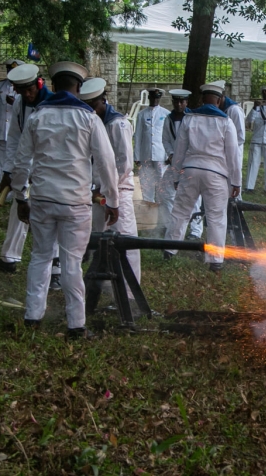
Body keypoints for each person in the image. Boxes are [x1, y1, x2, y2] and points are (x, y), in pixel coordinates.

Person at [10, 61, 120, 339]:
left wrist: (21, 196)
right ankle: (76, 324)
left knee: (40, 257)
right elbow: (107, 163)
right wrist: (113, 200)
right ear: (79, 87)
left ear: (52, 85)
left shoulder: (37, 116)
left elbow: (21, 162)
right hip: (75, 202)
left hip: (43, 199)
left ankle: (33, 316)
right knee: (71, 263)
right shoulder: (89, 118)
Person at [165, 82, 241, 272]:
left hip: (190, 170)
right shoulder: (226, 122)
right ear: (220, 100)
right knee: (216, 217)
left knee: (180, 211)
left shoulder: (189, 118)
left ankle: (169, 249)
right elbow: (233, 155)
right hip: (216, 174)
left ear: (202, 98)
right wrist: (236, 182)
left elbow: (179, 150)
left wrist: (175, 176)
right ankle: (215, 260)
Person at [81, 78, 141, 291]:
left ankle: (129, 293)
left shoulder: (118, 124)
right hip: (98, 191)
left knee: (124, 239)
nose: (91, 111)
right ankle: (106, 288)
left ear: (102, 101)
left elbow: (124, 163)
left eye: (94, 106)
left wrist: (108, 187)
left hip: (119, 190)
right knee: (102, 239)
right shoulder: (91, 122)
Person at [0, 64, 52, 274]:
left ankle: (55, 266)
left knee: (49, 218)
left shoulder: (52, 105)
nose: (27, 95)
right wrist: (8, 171)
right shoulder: (20, 103)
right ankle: (9, 258)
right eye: (21, 91)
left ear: (39, 84)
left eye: (30, 90)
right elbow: (14, 138)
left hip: (47, 168)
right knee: (18, 208)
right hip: (23, 165)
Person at [157, 89, 203, 239]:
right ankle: (171, 225)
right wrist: (171, 154)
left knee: (194, 196)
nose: (178, 104)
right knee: (165, 192)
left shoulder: (193, 118)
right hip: (175, 162)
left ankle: (195, 230)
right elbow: (165, 139)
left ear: (186, 102)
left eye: (181, 101)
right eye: (176, 101)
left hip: (190, 162)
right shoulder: (168, 119)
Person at [134, 88, 169, 206]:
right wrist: (137, 156)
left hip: (161, 153)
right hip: (146, 153)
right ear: (149, 98)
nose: (155, 100)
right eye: (152, 97)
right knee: (146, 181)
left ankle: (161, 206)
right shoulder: (142, 114)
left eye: (157, 98)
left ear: (160, 98)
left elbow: (168, 136)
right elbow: (138, 135)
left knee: (161, 181)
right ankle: (148, 206)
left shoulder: (165, 113)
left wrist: (169, 155)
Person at [0, 59, 22, 178]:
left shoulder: (24, 88)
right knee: (0, 164)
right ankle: (2, 188)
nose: (10, 73)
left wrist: (15, 103)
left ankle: (17, 189)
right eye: (9, 70)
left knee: (17, 164)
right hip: (0, 131)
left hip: (16, 133)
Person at [245, 86, 266, 193]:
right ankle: (249, 187)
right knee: (253, 163)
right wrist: (255, 108)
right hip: (257, 139)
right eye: (264, 94)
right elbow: (249, 120)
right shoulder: (257, 108)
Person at [216, 81, 246, 196]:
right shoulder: (219, 109)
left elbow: (241, 136)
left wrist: (226, 146)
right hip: (222, 153)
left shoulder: (234, 110)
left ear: (221, 98)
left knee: (233, 182)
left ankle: (237, 205)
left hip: (234, 152)